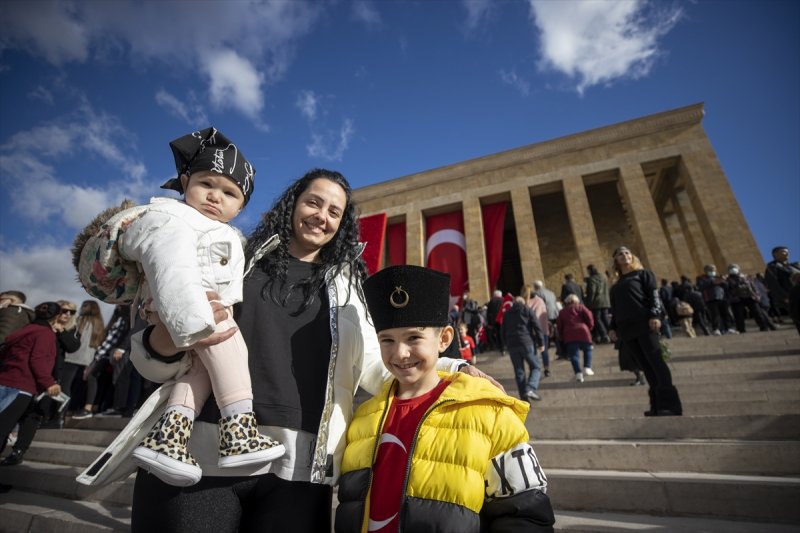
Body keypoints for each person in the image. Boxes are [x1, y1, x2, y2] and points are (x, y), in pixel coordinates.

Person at [127, 168, 491, 532]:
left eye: (334, 211)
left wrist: (451, 368)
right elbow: (151, 360)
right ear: (292, 205)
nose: (322, 216)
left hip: (297, 469)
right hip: (200, 454)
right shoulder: (232, 253)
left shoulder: (350, 289)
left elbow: (376, 365)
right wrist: (166, 339)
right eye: (313, 202)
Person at [96, 127, 283, 487]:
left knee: (196, 372)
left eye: (229, 193)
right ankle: (239, 427)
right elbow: (172, 269)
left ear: (241, 205)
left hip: (194, 313)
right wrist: (194, 319)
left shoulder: (221, 231)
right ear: (185, 182)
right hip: (191, 310)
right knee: (231, 345)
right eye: (207, 184)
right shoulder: (171, 218)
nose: (216, 196)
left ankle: (168, 437)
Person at [335, 265, 555, 533]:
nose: (400, 353)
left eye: (414, 337)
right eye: (387, 340)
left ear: (444, 339)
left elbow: (526, 516)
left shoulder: (491, 414)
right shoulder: (362, 420)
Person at [608, 246, 682, 417]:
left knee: (656, 362)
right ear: (616, 261)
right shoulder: (616, 285)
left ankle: (670, 405)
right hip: (626, 329)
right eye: (620, 254)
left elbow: (653, 296)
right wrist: (613, 328)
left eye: (627, 253)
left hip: (644, 323)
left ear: (632, 257)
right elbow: (615, 309)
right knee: (645, 366)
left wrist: (655, 315)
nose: (624, 255)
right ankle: (656, 405)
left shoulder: (643, 274)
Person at [0, 303, 63, 479]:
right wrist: (49, 382)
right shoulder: (45, 334)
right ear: (56, 317)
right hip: (22, 387)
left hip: (5, 381)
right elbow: (38, 359)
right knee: (2, 430)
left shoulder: (24, 330)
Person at [74, 304, 131, 419]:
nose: (117, 306)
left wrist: (100, 355)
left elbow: (112, 339)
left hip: (108, 354)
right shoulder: (119, 319)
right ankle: (95, 406)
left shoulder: (123, 320)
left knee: (93, 377)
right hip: (107, 354)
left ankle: (89, 408)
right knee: (102, 380)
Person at [62, 301, 105, 413]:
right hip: (88, 359)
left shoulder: (80, 321)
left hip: (72, 356)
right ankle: (76, 407)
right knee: (80, 385)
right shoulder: (99, 323)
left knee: (65, 385)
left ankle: (62, 410)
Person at [502, 296, 545, 401]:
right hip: (526, 342)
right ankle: (530, 388)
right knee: (536, 367)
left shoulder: (507, 314)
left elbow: (502, 330)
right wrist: (541, 343)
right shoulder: (527, 310)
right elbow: (537, 326)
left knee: (519, 372)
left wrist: (504, 345)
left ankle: (524, 399)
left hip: (512, 345)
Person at [556, 294, 595, 383]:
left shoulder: (562, 311)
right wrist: (590, 327)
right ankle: (587, 367)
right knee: (587, 349)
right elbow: (589, 317)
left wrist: (561, 335)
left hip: (569, 334)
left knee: (574, 355)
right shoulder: (581, 307)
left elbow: (559, 325)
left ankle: (578, 373)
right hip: (583, 331)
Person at [725, 264, 773, 333]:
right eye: (731, 268)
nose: (733, 269)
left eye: (734, 268)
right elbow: (727, 290)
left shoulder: (745, 277)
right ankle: (741, 329)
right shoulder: (728, 280)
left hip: (750, 297)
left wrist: (757, 295)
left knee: (757, 313)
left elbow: (752, 286)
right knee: (739, 315)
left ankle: (764, 327)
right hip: (737, 299)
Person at [697, 264, 736, 335]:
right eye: (711, 270)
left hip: (722, 297)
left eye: (714, 269)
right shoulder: (702, 278)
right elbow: (700, 286)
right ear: (706, 271)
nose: (713, 271)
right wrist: (713, 282)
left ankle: (729, 328)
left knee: (726, 314)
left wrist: (724, 281)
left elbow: (726, 287)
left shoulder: (718, 277)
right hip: (711, 299)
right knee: (715, 315)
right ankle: (716, 329)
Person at [522, 284, 551, 377]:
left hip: (530, 331)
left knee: (533, 352)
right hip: (542, 329)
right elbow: (544, 315)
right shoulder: (540, 301)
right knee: (544, 350)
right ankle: (546, 369)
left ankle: (533, 369)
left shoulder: (524, 303)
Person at [764, 246, 800, 317]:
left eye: (787, 251)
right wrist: (785, 297)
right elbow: (774, 285)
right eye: (783, 251)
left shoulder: (794, 265)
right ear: (775, 254)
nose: (787, 253)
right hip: (792, 297)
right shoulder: (772, 267)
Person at [584, 265, 611, 343]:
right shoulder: (604, 277)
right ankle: (613, 333)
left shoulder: (591, 279)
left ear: (589, 271)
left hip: (596, 302)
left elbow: (592, 292)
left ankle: (604, 335)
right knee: (605, 318)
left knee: (597, 319)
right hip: (605, 301)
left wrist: (589, 302)